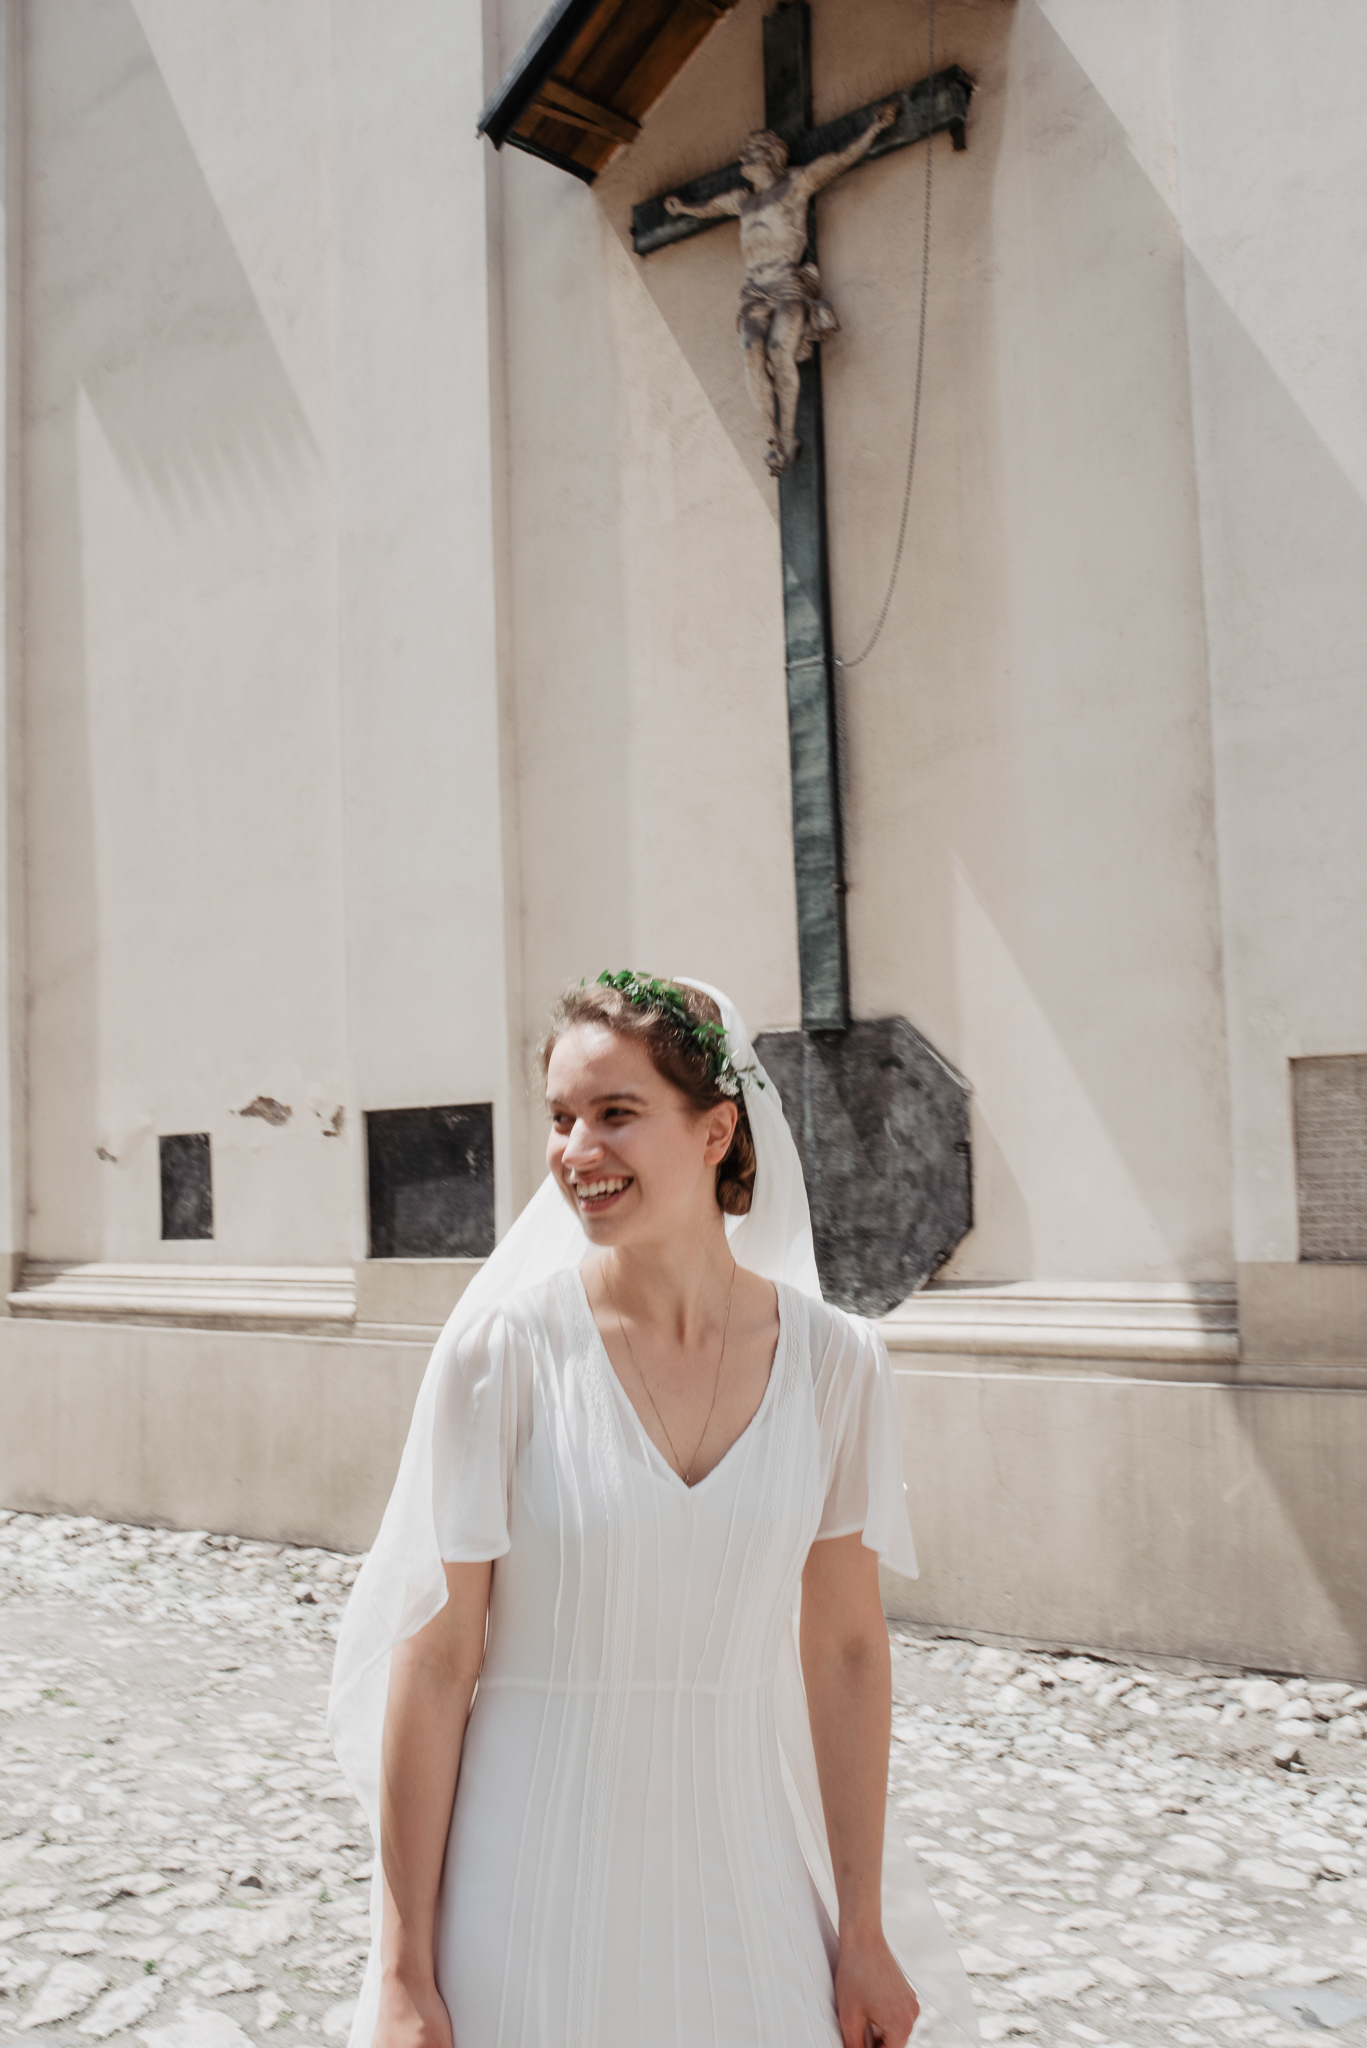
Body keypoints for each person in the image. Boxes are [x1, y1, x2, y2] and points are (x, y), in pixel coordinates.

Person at [328, 975, 977, 2048]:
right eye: (560, 1117)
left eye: (615, 1112)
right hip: (521, 1883)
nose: (576, 1149)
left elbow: (847, 1650)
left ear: (716, 1130)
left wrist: (860, 1929)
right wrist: (401, 1969)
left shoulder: (838, 1367)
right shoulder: (501, 1355)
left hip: (744, 1886)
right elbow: (435, 1661)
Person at [664, 107, 899, 474]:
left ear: (771, 156)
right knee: (751, 353)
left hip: (788, 285)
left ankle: (788, 436)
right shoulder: (742, 200)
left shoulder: (795, 185)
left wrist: (873, 129)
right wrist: (682, 208)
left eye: (752, 152)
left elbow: (839, 159)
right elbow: (707, 207)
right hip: (754, 293)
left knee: (778, 349)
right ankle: (771, 437)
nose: (743, 157)